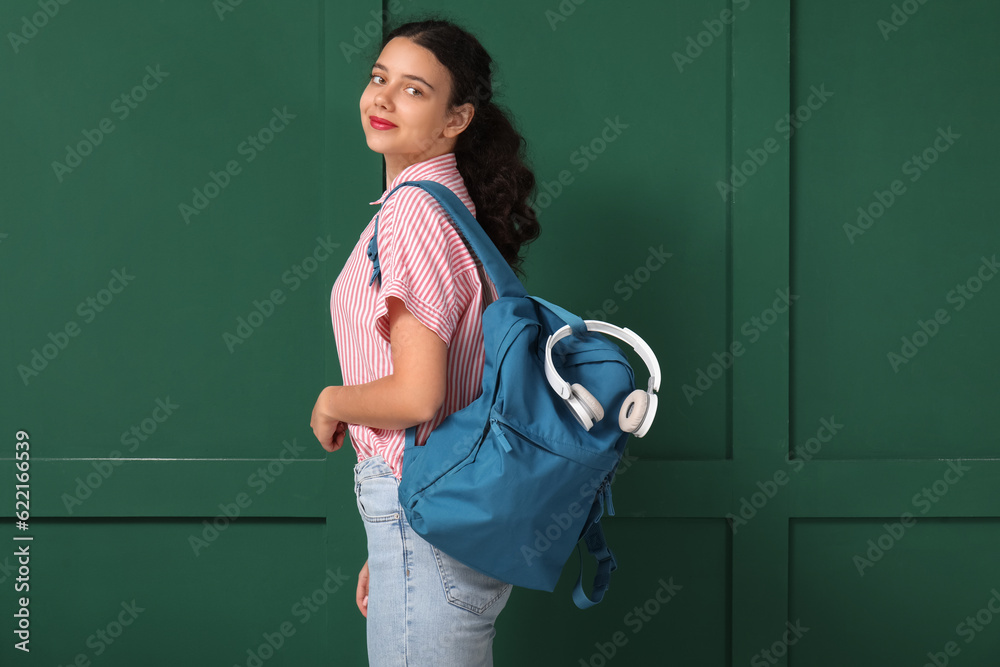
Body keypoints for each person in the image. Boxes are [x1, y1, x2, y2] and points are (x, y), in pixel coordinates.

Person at [309, 16, 541, 666]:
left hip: (425, 523)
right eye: (379, 78)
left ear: (455, 119)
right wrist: (392, 546)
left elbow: (419, 395)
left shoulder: (413, 212)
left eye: (413, 89)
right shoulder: (447, 206)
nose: (380, 97)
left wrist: (333, 400)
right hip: (436, 519)